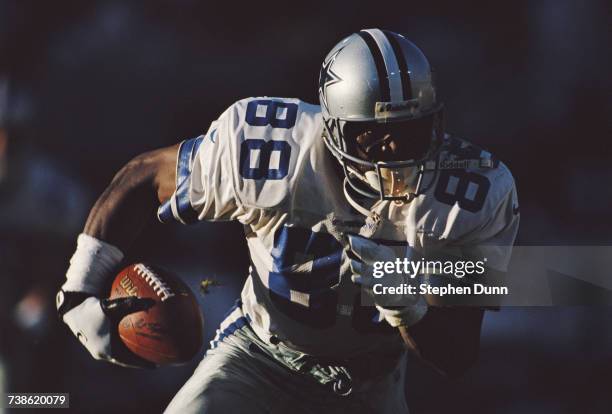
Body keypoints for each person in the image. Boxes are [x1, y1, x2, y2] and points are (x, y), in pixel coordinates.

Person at [56, 29, 519, 413]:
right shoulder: (268, 146)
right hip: (258, 358)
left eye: (409, 131)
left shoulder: (473, 196)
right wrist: (80, 286)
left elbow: (458, 354)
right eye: (372, 137)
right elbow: (144, 177)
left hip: (372, 387)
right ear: (334, 126)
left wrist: (408, 305)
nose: (393, 152)